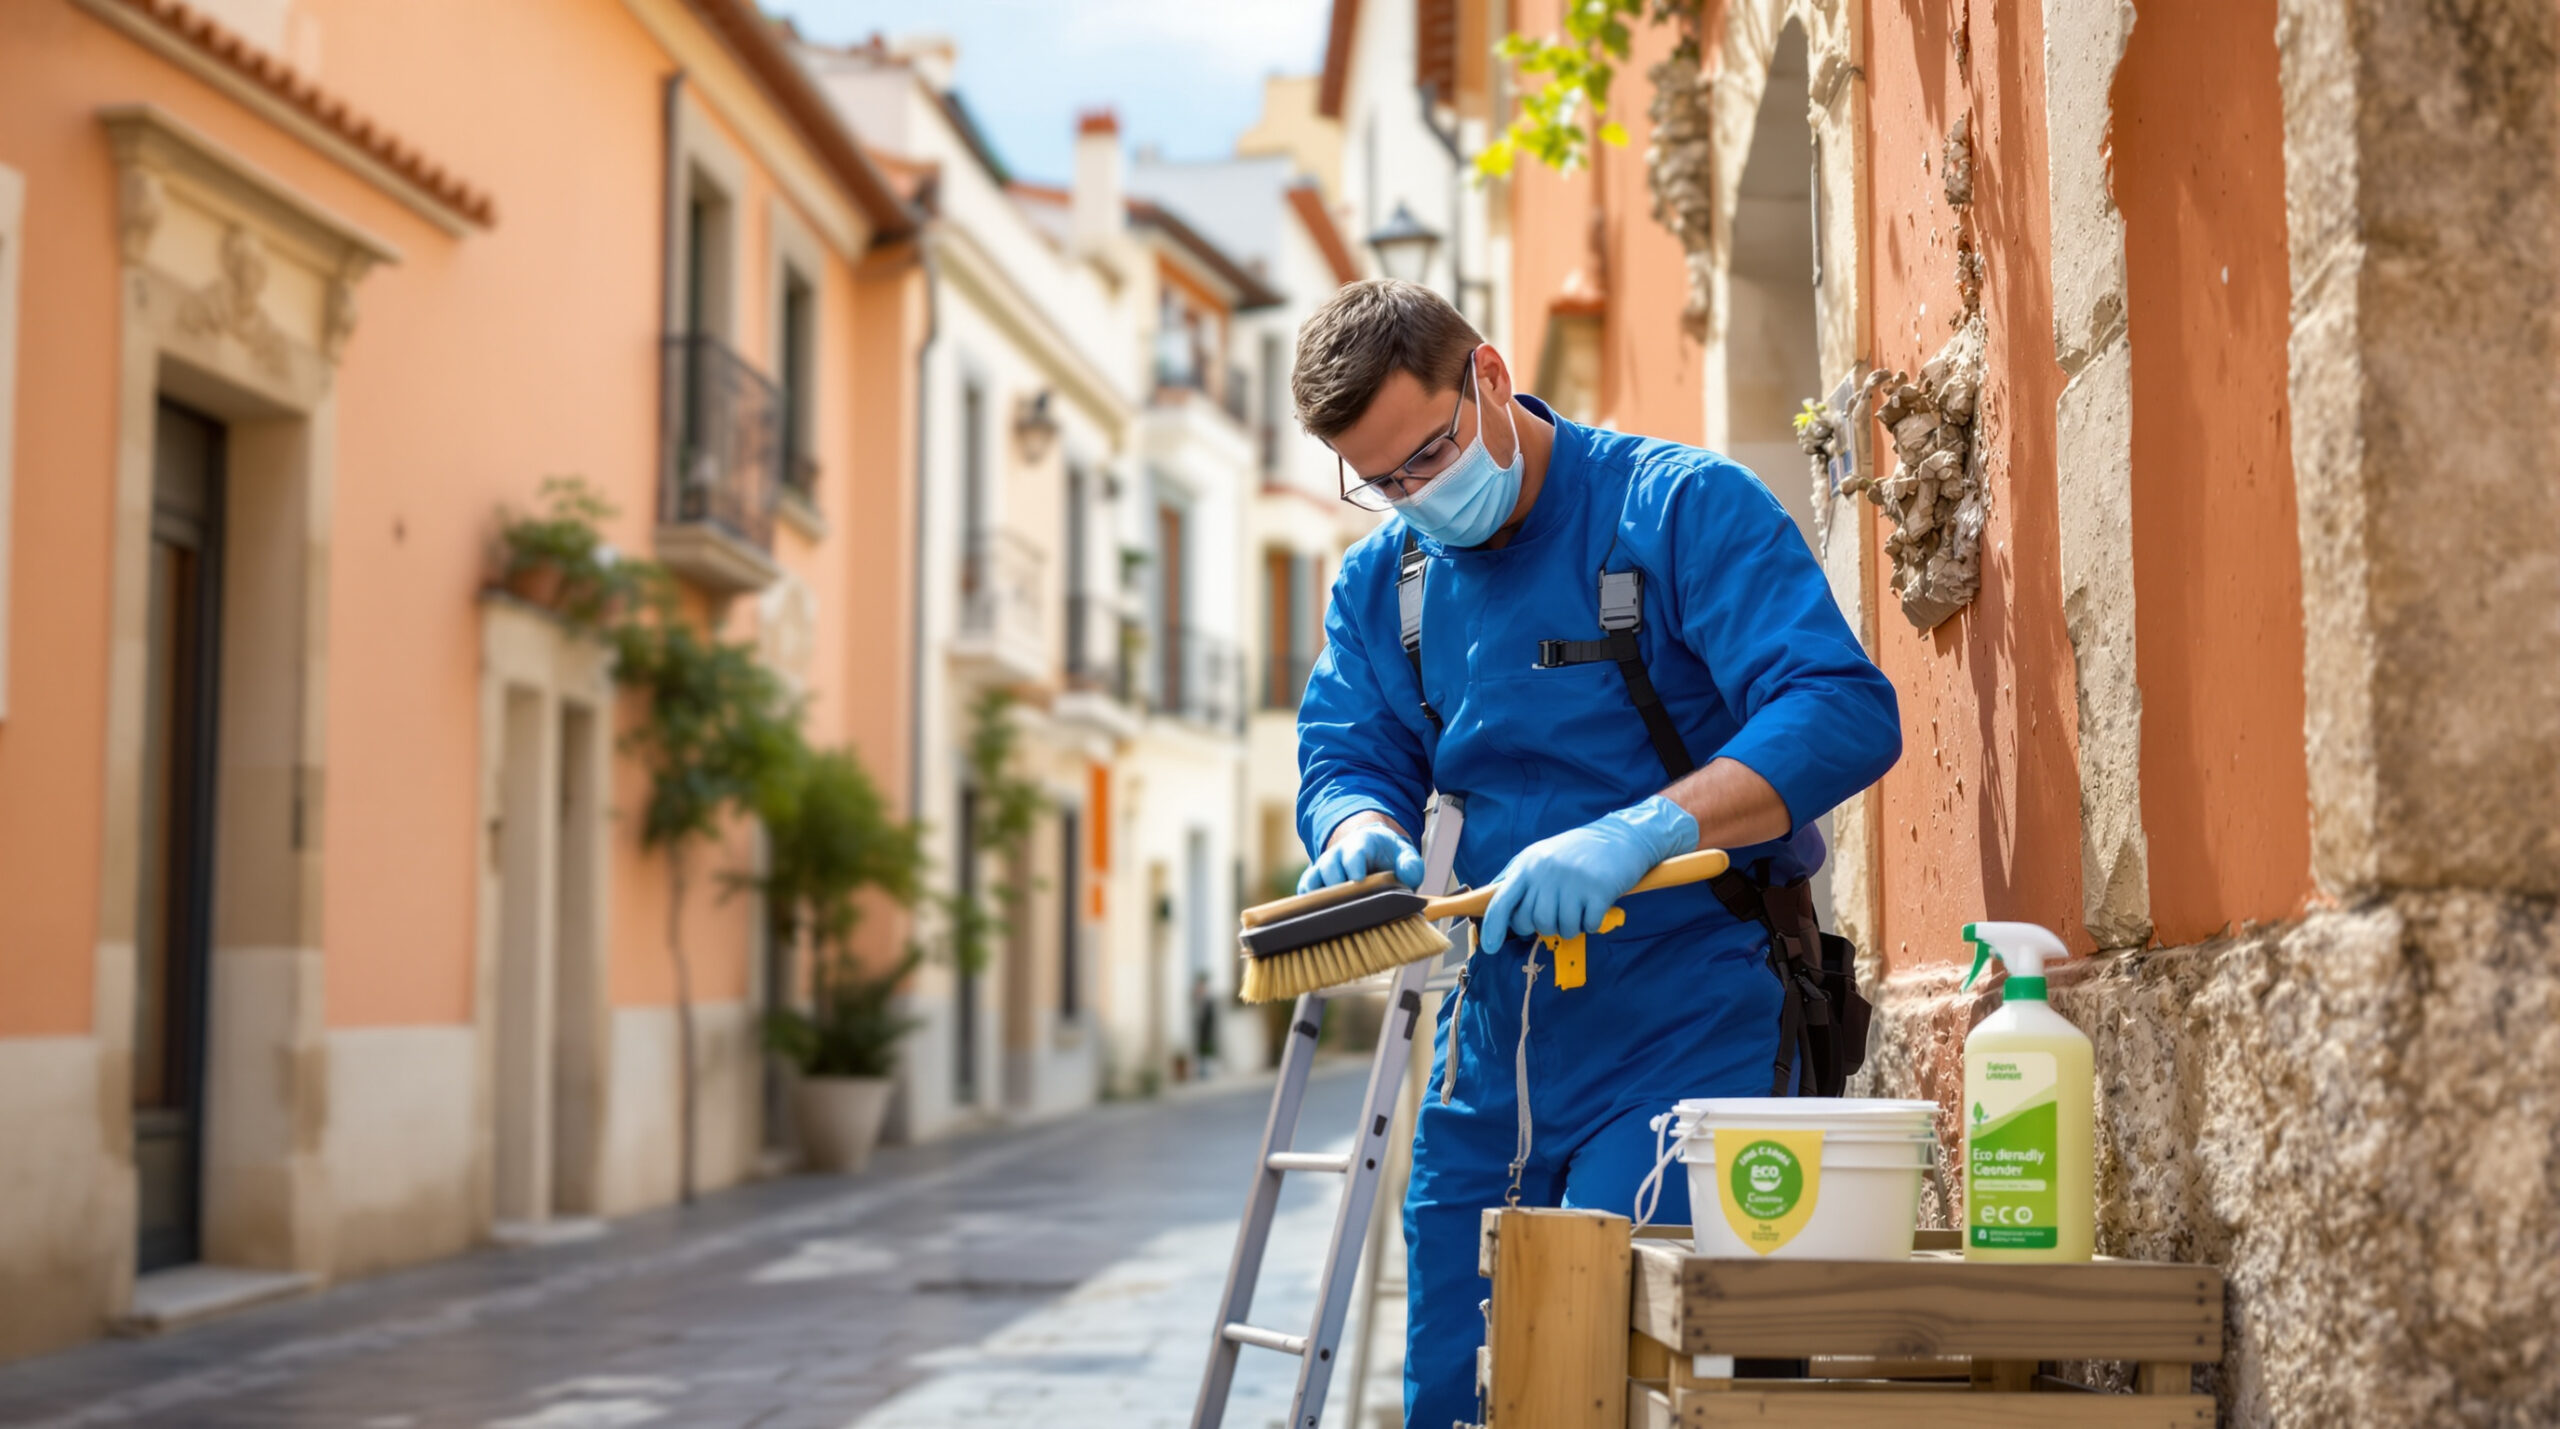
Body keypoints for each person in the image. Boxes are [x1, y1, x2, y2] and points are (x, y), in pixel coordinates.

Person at [1287, 280, 1901, 1426]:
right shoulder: (1389, 582)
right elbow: (1345, 746)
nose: (1417, 498)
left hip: (1687, 1018)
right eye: (1384, 483)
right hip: (1494, 1045)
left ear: (1489, 375)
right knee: (1453, 1386)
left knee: (1618, 1370)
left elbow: (1841, 706)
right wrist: (1355, 825)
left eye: (1429, 455)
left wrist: (1644, 830)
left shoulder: (1676, 509)